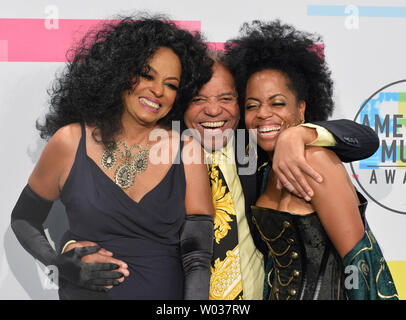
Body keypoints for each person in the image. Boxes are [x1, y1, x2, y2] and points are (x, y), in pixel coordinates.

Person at [60, 47, 381, 300]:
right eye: (199, 99)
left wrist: (300, 134)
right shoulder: (156, 153)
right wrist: (70, 247)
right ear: (179, 105)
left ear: (240, 106)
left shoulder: (255, 147)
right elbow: (100, 211)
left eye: (226, 98)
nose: (213, 110)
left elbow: (364, 139)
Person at [10, 15, 216, 300]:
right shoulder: (70, 142)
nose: (158, 90)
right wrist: (59, 262)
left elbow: (197, 256)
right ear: (120, 72)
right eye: (147, 74)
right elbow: (23, 219)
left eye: (171, 84)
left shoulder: (187, 150)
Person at [225, 19, 398, 300]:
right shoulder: (259, 168)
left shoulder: (315, 159)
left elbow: (359, 262)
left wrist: (298, 135)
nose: (263, 114)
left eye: (277, 103)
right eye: (252, 105)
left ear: (301, 109)